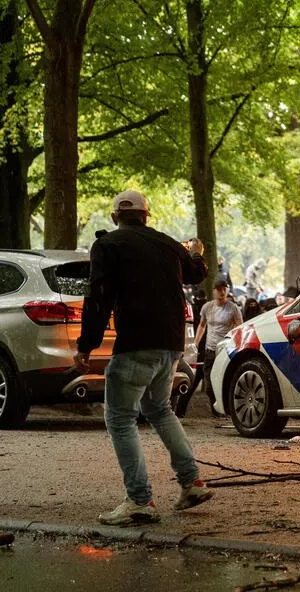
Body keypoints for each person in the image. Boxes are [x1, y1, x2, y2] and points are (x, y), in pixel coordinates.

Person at [75, 190, 213, 525]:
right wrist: (195, 252)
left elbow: (99, 297)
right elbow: (197, 272)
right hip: (171, 345)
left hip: (136, 344)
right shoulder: (167, 244)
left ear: (114, 217)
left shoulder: (108, 245)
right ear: (146, 216)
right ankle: (191, 482)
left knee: (120, 419)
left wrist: (86, 344)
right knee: (160, 409)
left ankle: (139, 500)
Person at [196, 278, 243, 413]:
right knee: (209, 384)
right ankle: (216, 409)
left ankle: (224, 411)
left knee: (224, 381)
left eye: (224, 289)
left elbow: (240, 327)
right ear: (214, 291)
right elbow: (202, 325)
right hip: (210, 350)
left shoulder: (233, 308)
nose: (222, 292)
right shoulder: (207, 307)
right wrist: (195, 343)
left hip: (225, 350)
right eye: (219, 289)